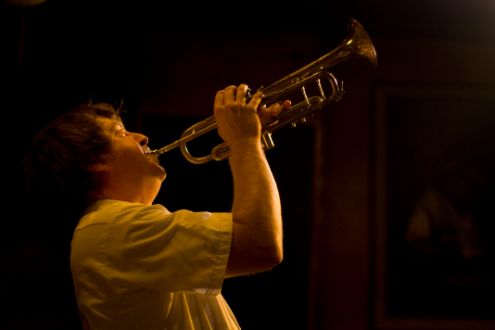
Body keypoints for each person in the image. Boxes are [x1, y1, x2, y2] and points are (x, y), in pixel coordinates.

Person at [23, 84, 292, 329]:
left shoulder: (114, 231)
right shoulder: (110, 229)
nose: (141, 136)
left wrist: (248, 141)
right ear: (95, 160)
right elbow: (260, 243)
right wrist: (245, 141)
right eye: (121, 133)